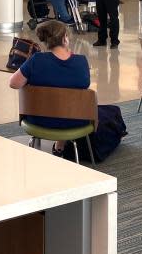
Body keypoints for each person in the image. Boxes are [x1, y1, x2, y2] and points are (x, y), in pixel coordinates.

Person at [8, 21, 90, 155]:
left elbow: (13, 83)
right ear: (65, 39)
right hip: (75, 122)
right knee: (69, 107)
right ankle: (59, 147)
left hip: (38, 121)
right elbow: (84, 83)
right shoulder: (81, 62)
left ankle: (57, 145)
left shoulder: (36, 60)